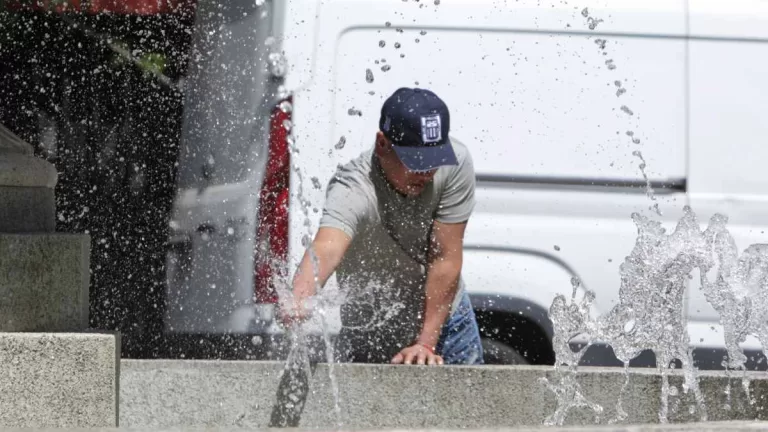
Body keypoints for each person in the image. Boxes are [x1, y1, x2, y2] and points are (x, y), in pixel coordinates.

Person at [279, 87, 483, 366]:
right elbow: (327, 246)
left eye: (433, 162)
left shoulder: (456, 165)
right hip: (372, 325)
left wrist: (425, 344)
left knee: (470, 407)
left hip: (445, 321)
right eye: (417, 162)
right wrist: (299, 297)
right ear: (382, 144)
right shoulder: (353, 188)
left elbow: (445, 258)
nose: (426, 173)